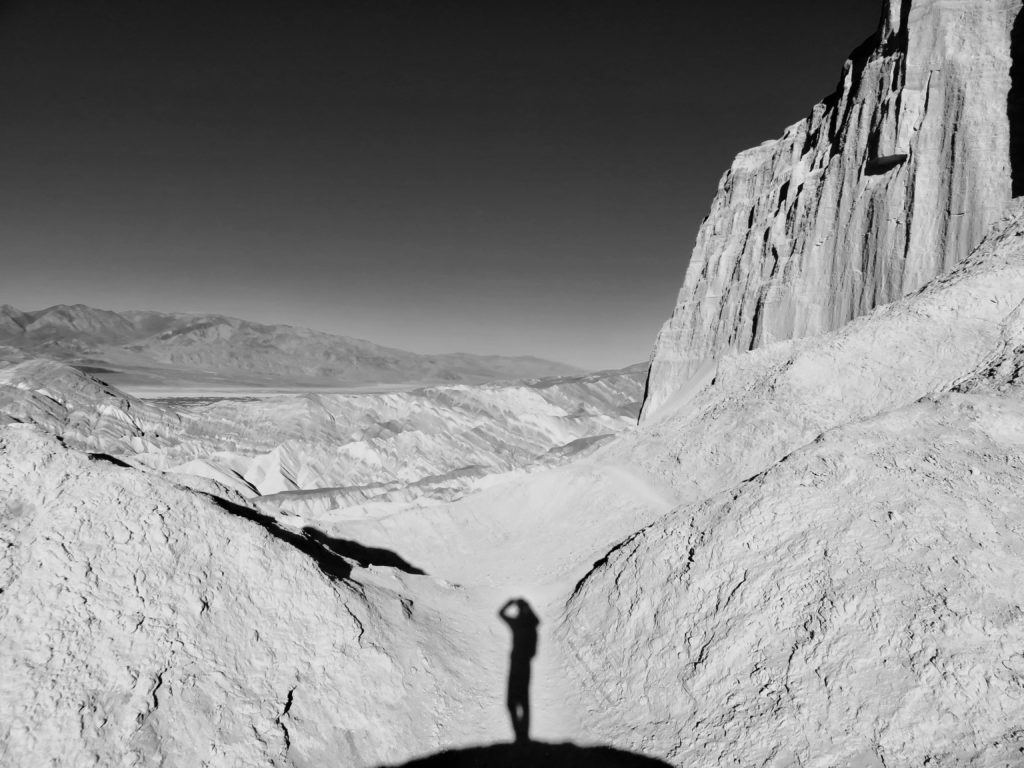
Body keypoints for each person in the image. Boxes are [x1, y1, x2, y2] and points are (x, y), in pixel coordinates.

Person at [498, 598, 540, 743]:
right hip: (524, 664)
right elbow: (533, 652)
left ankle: (521, 735)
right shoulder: (531, 626)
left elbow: (501, 614)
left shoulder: (517, 624)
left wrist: (509, 603)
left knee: (513, 701)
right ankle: (523, 735)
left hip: (516, 663)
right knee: (522, 698)